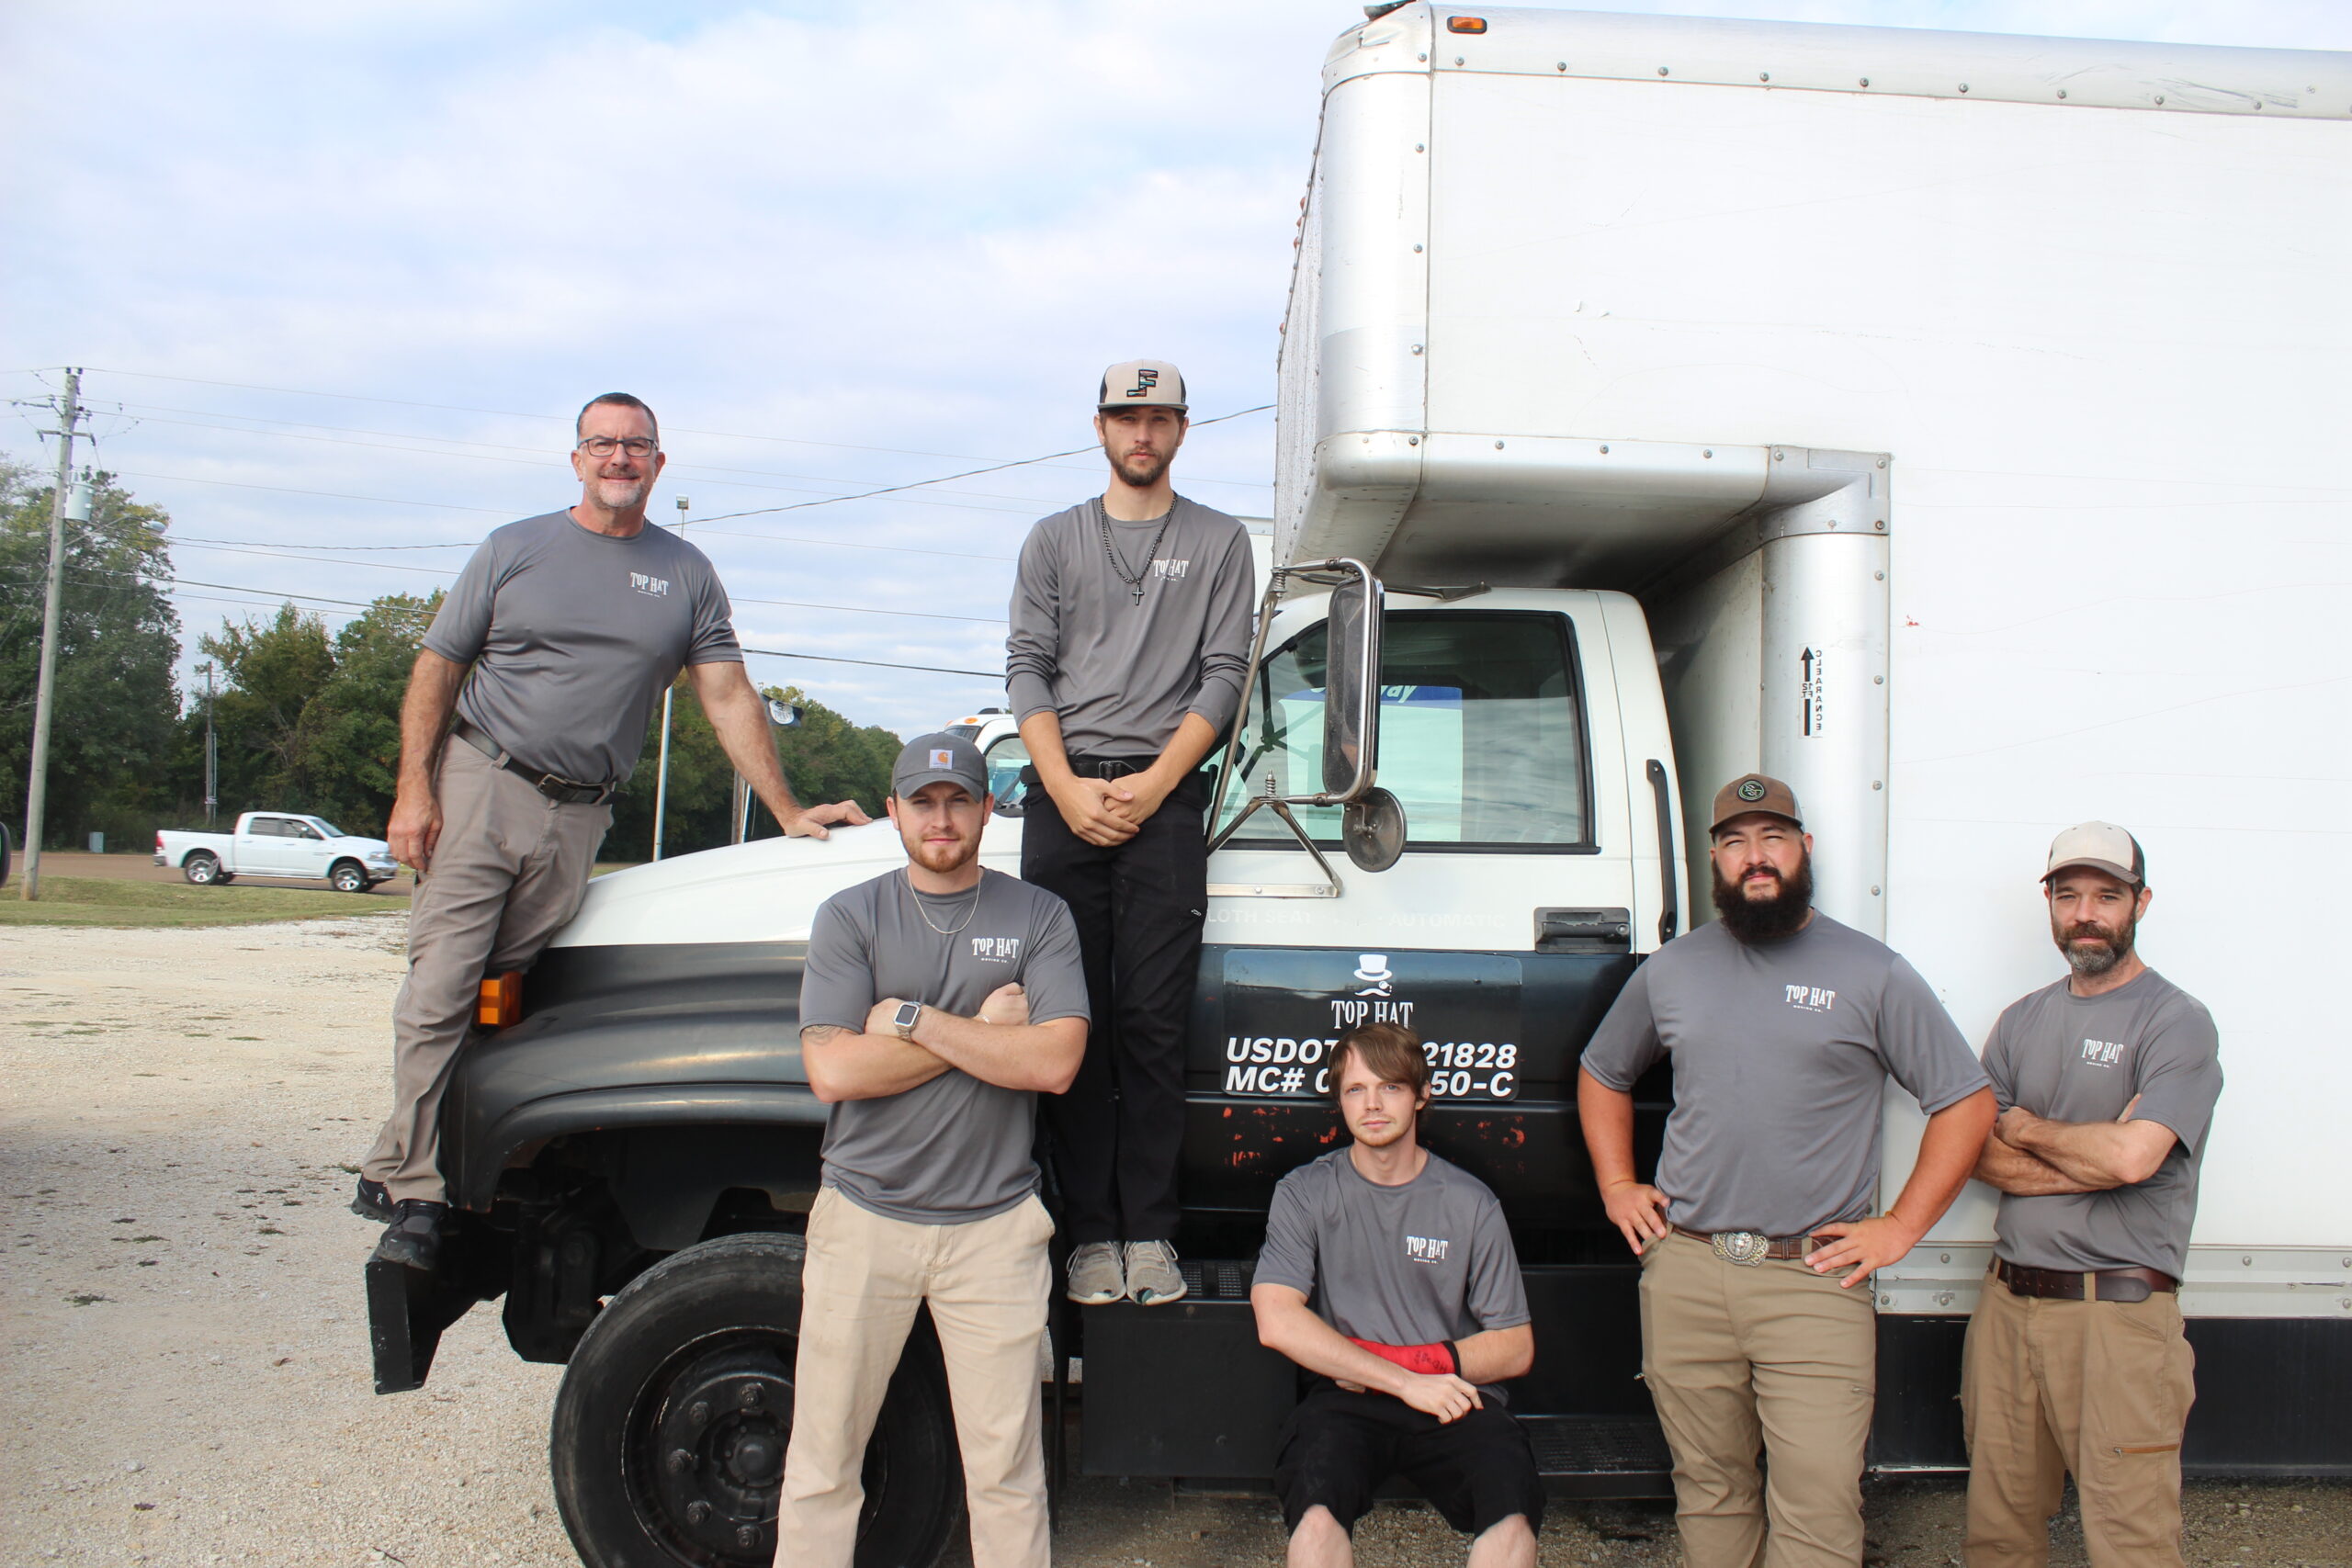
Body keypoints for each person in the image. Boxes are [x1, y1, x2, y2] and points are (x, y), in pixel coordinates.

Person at [357, 393, 868, 1270]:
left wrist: (787, 810)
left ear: (660, 465)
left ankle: (435, 1152)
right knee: (443, 981)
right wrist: (415, 790)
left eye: (637, 445)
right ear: (577, 459)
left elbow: (727, 694)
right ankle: (410, 1190)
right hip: (486, 779)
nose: (620, 458)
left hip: (583, 809)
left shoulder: (686, 573)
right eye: (603, 443)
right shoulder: (513, 549)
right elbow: (437, 667)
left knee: (508, 987)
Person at [1577, 773, 1996, 1568]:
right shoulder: (1674, 969)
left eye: (1772, 838)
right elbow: (1604, 1072)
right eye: (1735, 842)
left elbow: (1965, 1102)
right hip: (1689, 1271)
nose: (1754, 857)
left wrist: (1900, 1226)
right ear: (1714, 858)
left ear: (1805, 849)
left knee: (1817, 1504)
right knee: (1709, 1488)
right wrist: (1617, 1184)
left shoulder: (1873, 972)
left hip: (1812, 1281)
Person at [775, 732, 1089, 1568]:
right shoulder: (851, 915)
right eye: (923, 801)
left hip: (995, 1230)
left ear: (989, 808)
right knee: (822, 1464)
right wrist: (986, 1034)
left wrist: (911, 1019)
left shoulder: (1039, 914)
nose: (941, 818)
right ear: (893, 811)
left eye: (960, 801)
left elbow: (1055, 1060)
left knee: (1008, 1475)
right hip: (863, 1220)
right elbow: (834, 1069)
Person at [1005, 358, 1256, 1306]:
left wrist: (1153, 786)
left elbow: (1224, 675)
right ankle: (1084, 1238)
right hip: (1060, 797)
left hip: (1166, 800)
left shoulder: (1220, 540)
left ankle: (1148, 1234)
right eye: (1125, 416)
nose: (1141, 434)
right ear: (1100, 427)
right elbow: (1027, 667)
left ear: (1183, 430)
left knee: (1152, 1027)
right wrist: (1064, 785)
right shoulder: (1052, 540)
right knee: (1074, 1026)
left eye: (1158, 418)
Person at [1961, 822, 2221, 1568]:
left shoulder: (2176, 1020)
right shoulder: (2021, 1020)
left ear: (2141, 902)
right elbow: (1978, 1154)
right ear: (2048, 901)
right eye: (2069, 894)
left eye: (2107, 895)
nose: (2086, 913)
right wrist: (2095, 1150)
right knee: (1998, 1531)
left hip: (2119, 1319)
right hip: (2008, 1311)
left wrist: (2029, 1125)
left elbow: (2136, 1157)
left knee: (2130, 1539)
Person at [1251, 1022, 1541, 1568]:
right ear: (1339, 1101)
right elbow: (1276, 1320)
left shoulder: (1471, 1203)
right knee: (1315, 1524)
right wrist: (1404, 1381)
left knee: (1512, 1523)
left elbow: (1516, 1346)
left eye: (1391, 1086)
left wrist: (1417, 1372)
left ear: (1422, 1094)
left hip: (1454, 1398)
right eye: (1356, 1090)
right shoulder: (1304, 1192)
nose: (1373, 1104)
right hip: (1349, 1402)